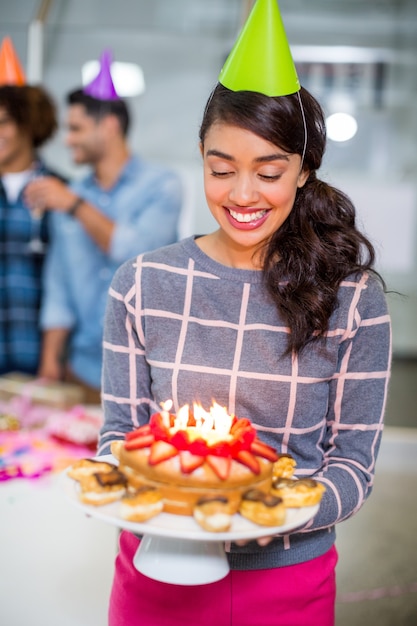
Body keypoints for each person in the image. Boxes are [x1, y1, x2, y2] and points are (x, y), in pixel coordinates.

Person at [98, 1, 391, 624]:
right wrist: (111, 482)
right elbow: (120, 438)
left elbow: (354, 468)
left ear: (305, 171)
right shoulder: (142, 283)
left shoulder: (352, 297)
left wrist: (275, 511)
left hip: (288, 582)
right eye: (220, 168)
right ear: (200, 155)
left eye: (269, 171)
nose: (242, 195)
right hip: (158, 571)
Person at [25, 50, 183, 403]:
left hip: (148, 377)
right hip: (80, 372)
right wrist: (50, 362)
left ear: (109, 126)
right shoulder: (69, 195)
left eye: (76, 128)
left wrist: (76, 206)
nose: (67, 139)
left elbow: (136, 253)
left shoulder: (162, 187)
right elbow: (59, 286)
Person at [0, 37, 63, 376]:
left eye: (3, 122)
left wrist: (54, 360)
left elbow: (68, 284)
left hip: (41, 362)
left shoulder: (61, 192)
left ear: (28, 123)